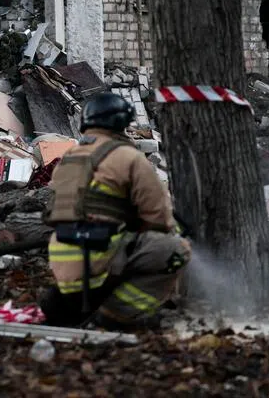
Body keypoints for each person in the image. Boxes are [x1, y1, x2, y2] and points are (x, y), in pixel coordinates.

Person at [39, 92, 190, 330]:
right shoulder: (128, 157)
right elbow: (159, 218)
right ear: (120, 123)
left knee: (122, 246)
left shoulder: (69, 157)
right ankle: (117, 314)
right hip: (100, 257)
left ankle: (81, 305)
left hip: (62, 261)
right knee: (175, 251)